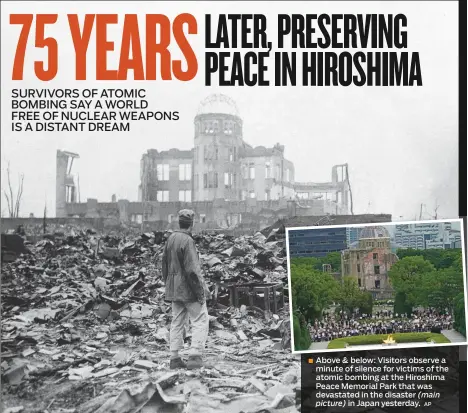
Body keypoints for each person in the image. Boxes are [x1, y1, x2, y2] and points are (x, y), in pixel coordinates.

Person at [162, 209, 210, 370]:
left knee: (177, 321)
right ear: (192, 224)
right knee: (200, 319)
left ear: (179, 222)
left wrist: (169, 285)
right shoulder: (187, 241)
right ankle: (195, 356)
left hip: (174, 290)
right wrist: (200, 292)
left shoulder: (171, 239)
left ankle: (174, 358)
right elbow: (192, 271)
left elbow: (164, 266)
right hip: (188, 290)